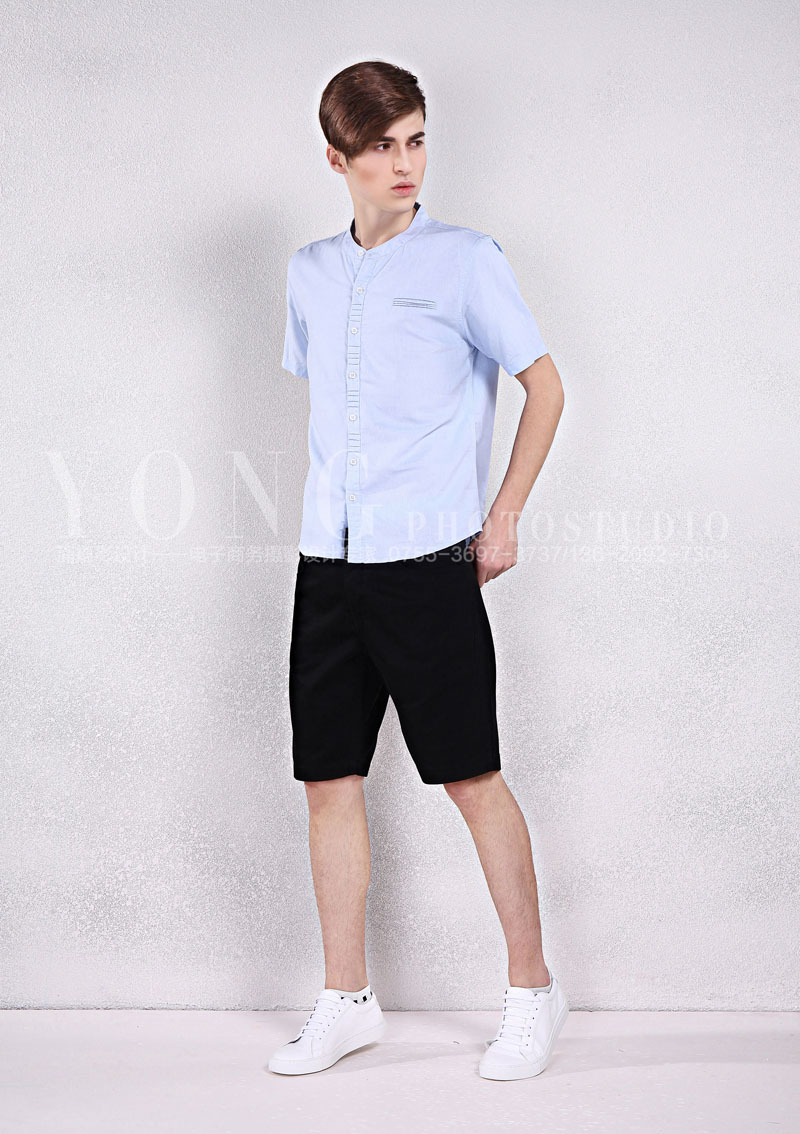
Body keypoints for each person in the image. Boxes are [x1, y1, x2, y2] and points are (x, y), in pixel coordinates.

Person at [269, 61, 567, 1081]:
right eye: (382, 147)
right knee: (327, 780)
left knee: (471, 777)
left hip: (428, 560)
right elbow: (333, 401)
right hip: (329, 559)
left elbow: (543, 387)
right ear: (337, 160)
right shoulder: (309, 272)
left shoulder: (467, 261)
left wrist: (502, 517)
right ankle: (345, 1000)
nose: (405, 164)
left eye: (416, 140)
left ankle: (531, 992)